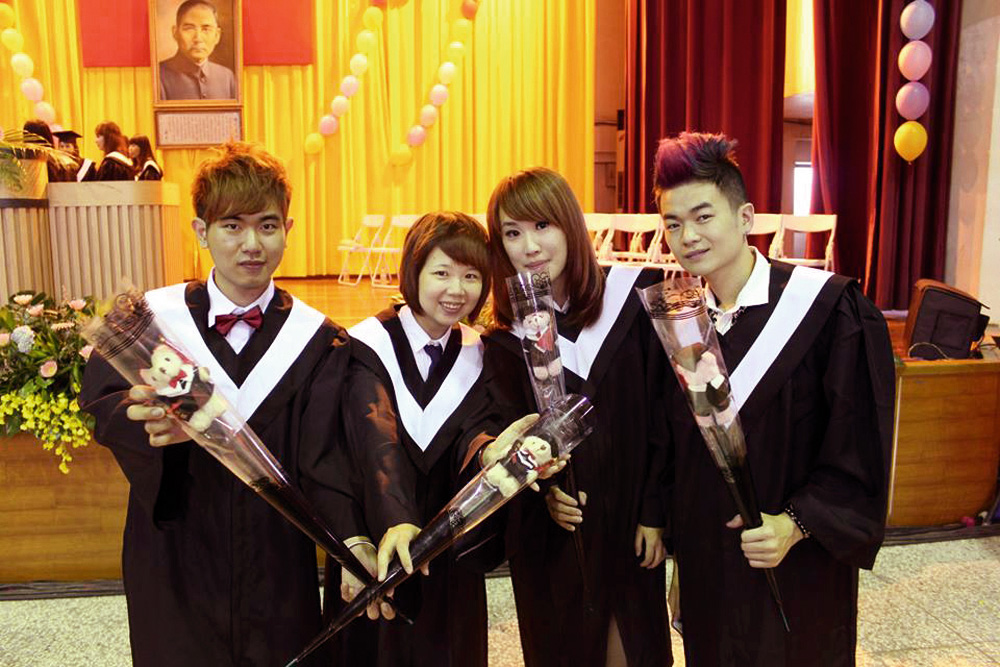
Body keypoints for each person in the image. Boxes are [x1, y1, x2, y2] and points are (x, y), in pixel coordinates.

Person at [80, 142, 352, 667]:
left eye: (267, 226)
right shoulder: (151, 323)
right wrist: (145, 423)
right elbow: (103, 402)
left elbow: (329, 453)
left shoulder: (318, 340)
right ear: (201, 231)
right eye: (232, 226)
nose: (252, 244)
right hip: (177, 550)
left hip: (276, 557)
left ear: (288, 230)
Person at [653, 132, 895, 666]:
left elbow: (858, 442)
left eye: (703, 216)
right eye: (673, 224)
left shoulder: (827, 310)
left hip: (797, 564)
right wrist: (683, 565)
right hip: (710, 567)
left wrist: (797, 523)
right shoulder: (681, 326)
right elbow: (682, 461)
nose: (687, 236)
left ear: (745, 217)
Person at [478, 167, 672, 667]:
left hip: (631, 523)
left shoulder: (632, 300)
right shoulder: (504, 339)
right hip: (557, 538)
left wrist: (654, 512)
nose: (529, 246)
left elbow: (662, 416)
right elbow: (511, 431)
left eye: (542, 225)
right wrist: (543, 492)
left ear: (569, 224)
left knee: (631, 644)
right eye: (512, 233)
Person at [335, 212, 497, 667]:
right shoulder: (365, 346)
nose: (456, 289)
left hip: (450, 548)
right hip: (381, 536)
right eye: (441, 273)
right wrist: (396, 519)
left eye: (471, 276)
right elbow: (376, 437)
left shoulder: (478, 352)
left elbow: (477, 428)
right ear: (414, 272)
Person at [159, 0, 237, 101]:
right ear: (175, 33)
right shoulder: (159, 75)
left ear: (217, 36)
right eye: (189, 29)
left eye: (206, 29)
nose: (198, 38)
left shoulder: (227, 76)